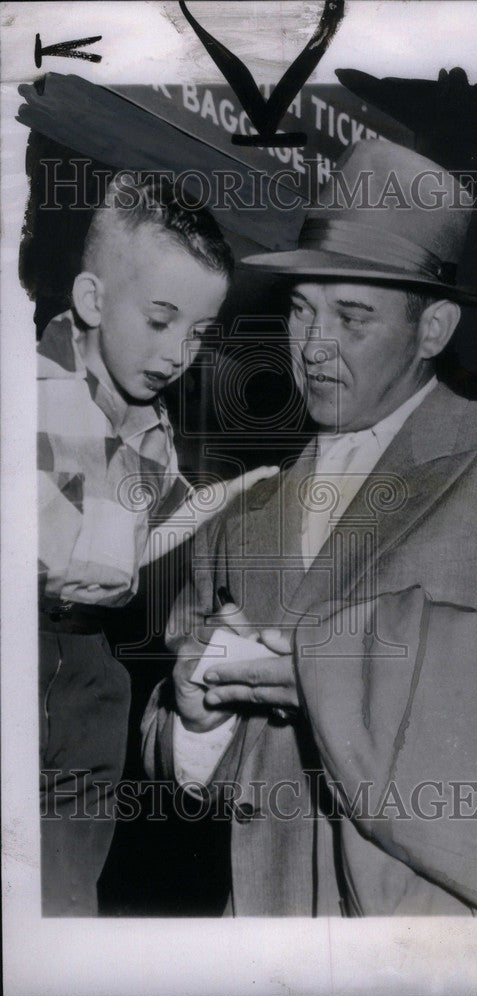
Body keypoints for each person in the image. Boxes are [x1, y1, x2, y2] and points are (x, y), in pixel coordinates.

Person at [142, 140, 477, 916]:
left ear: (435, 328)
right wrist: (192, 719)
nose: (313, 348)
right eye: (302, 310)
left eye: (352, 317)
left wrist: (328, 672)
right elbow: (170, 740)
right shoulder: (242, 511)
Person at [37, 174, 277, 916]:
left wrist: (216, 501)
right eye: (161, 319)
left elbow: (122, 563)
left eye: (199, 333)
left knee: (66, 909)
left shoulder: (152, 425)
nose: (179, 353)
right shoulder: (38, 393)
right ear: (92, 300)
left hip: (88, 700)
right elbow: (74, 567)